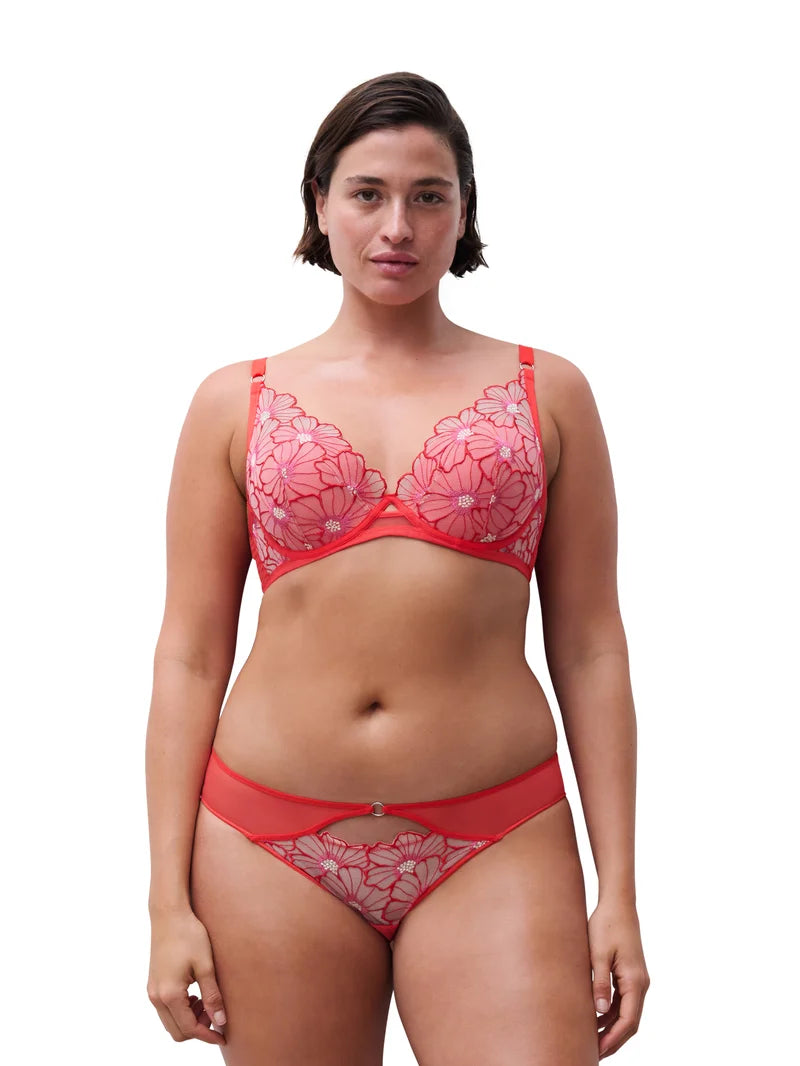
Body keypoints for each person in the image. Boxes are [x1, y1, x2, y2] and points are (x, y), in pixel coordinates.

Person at [145, 70, 650, 1064]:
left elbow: (591, 647)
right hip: (265, 841)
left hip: (496, 835)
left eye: (429, 195)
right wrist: (165, 900)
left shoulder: (547, 392)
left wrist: (619, 891)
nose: (398, 226)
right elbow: (189, 656)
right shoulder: (233, 401)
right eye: (367, 193)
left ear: (464, 212)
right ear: (319, 204)